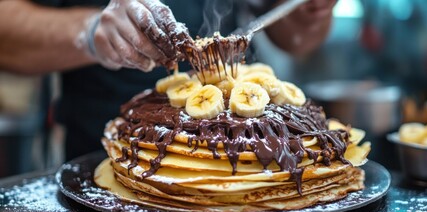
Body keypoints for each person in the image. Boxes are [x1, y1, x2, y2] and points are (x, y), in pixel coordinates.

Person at [0, 0, 336, 161]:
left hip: (257, 155)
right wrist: (89, 33)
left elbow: (297, 39)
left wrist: (310, 11)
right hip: (111, 157)